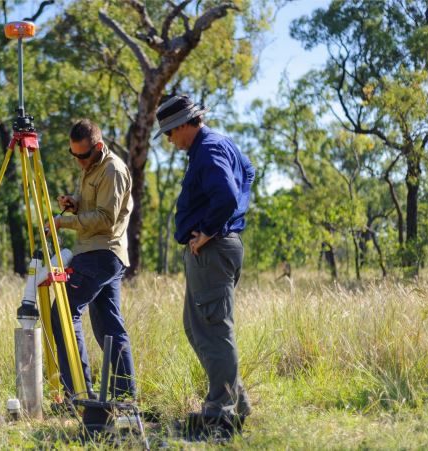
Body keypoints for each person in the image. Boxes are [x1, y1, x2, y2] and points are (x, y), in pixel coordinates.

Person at [154, 95, 255, 438]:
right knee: (197, 327)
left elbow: (226, 195)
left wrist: (211, 230)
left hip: (211, 252)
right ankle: (235, 403)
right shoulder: (217, 145)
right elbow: (249, 171)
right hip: (212, 251)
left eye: (170, 132)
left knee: (213, 329)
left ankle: (219, 416)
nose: (169, 140)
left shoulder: (209, 149)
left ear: (185, 125)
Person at [49, 119, 136, 402]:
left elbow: (106, 218)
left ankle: (77, 394)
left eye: (83, 155)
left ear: (98, 147)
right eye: (73, 155)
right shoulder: (92, 166)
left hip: (101, 253)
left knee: (62, 312)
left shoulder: (112, 169)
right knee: (109, 327)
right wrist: (74, 203)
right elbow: (93, 207)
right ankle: (124, 398)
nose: (78, 162)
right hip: (99, 254)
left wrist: (65, 222)